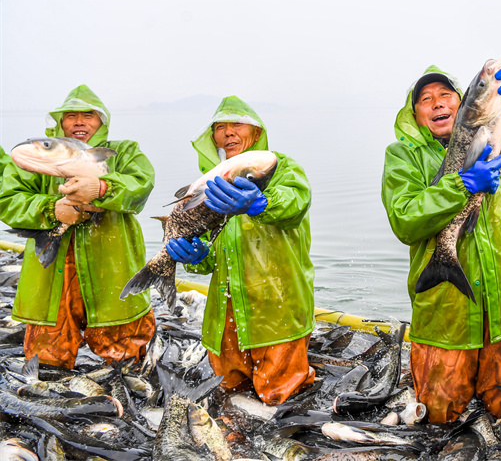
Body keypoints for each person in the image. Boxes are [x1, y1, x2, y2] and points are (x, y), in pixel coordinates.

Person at [381, 58, 501, 423]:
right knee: (438, 415)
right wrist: (460, 185)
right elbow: (405, 218)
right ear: (415, 114)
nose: (438, 103)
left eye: (447, 94)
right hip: (446, 310)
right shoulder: (404, 155)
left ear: (463, 102)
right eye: (426, 99)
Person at [167, 96, 315, 405]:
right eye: (220, 127)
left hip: (278, 313)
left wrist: (262, 203)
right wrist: (194, 255)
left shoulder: (281, 167)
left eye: (237, 124)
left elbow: (296, 202)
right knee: (231, 399)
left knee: (282, 397)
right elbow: (209, 257)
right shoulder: (210, 185)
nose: (228, 133)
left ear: (257, 133)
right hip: (224, 319)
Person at [0, 85, 156, 369]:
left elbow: (141, 186)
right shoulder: (33, 159)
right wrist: (51, 208)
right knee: (46, 361)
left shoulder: (123, 152)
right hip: (53, 272)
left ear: (101, 122)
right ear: (60, 123)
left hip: (112, 267)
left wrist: (102, 188)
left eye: (89, 116)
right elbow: (7, 199)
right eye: (70, 116)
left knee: (124, 357)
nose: (80, 121)